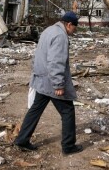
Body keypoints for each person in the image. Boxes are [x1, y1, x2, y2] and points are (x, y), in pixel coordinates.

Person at [13, 11, 83, 155]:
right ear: (69, 24)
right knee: (67, 111)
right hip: (51, 81)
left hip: (41, 79)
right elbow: (55, 61)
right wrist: (58, 84)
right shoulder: (60, 36)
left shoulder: (48, 30)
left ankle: (22, 140)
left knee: (35, 110)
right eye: (74, 28)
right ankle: (68, 146)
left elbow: (39, 55)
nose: (74, 31)